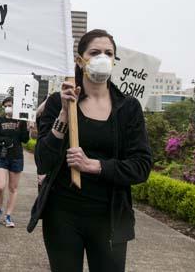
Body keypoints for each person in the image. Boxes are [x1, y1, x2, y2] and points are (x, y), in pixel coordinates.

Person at [28, 29, 153, 272]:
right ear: (80, 60)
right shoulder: (57, 102)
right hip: (62, 215)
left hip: (110, 218)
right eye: (95, 52)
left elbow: (142, 166)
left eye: (109, 53)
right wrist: (64, 115)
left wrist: (95, 166)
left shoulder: (128, 108)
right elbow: (43, 160)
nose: (102, 58)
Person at [0, 97, 29, 228]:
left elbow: (25, 139)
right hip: (1, 155)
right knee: (0, 186)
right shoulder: (0, 120)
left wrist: (27, 126)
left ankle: (8, 215)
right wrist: (5, 140)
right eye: (6, 105)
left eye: (10, 105)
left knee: (13, 188)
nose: (8, 107)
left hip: (16, 156)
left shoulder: (21, 120)